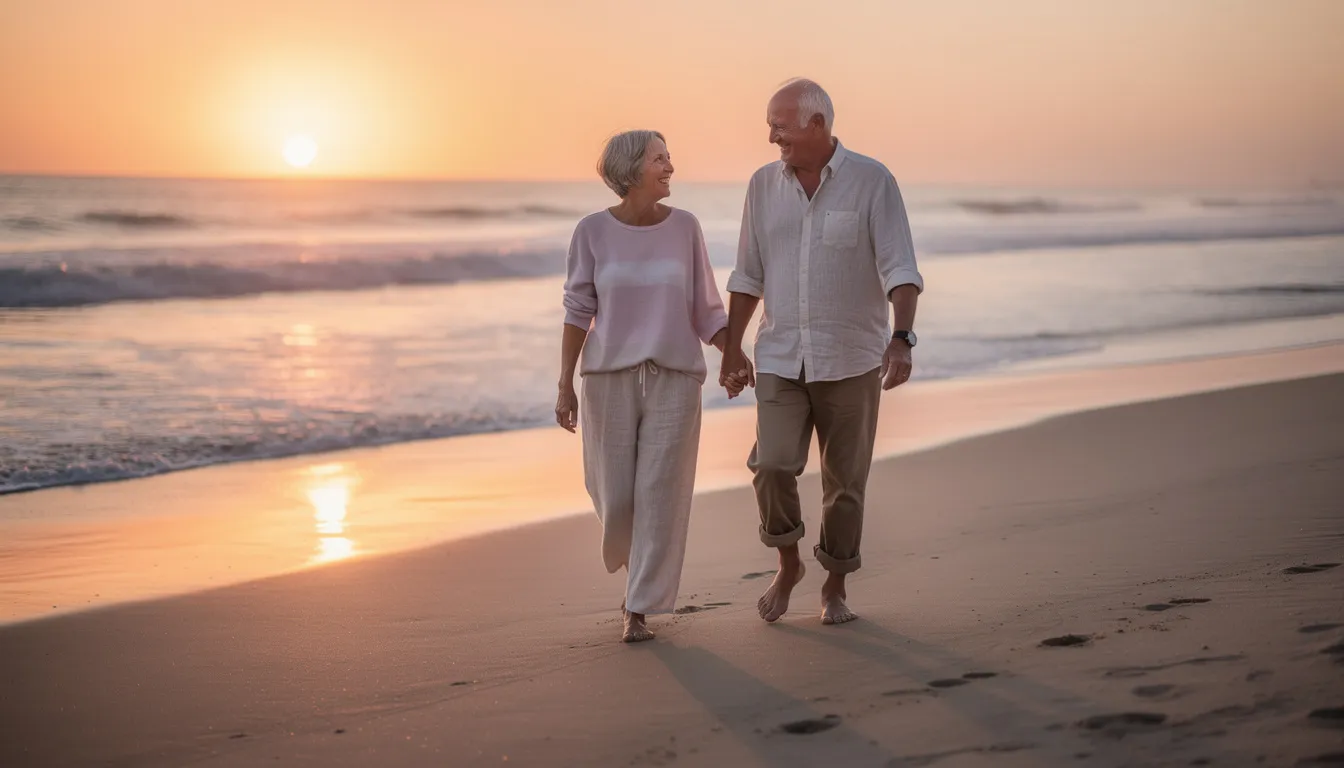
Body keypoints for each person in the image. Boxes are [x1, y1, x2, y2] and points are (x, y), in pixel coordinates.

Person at [720, 78, 924, 626]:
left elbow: (900, 267)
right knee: (771, 465)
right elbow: (747, 275)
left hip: (851, 358)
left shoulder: (872, 181)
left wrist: (902, 338)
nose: (771, 137)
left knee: (845, 486)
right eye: (770, 126)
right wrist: (732, 349)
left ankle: (835, 584)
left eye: (779, 126)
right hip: (780, 356)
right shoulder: (762, 186)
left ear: (817, 124)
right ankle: (788, 563)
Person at [557, 130, 738, 643]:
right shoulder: (592, 232)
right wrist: (565, 383)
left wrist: (733, 354)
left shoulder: (685, 228)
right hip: (607, 379)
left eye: (668, 157)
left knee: (660, 493)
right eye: (660, 159)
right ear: (631, 169)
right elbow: (578, 310)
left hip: (674, 378)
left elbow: (705, 307)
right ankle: (632, 563)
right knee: (614, 496)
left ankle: (638, 605)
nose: (670, 167)